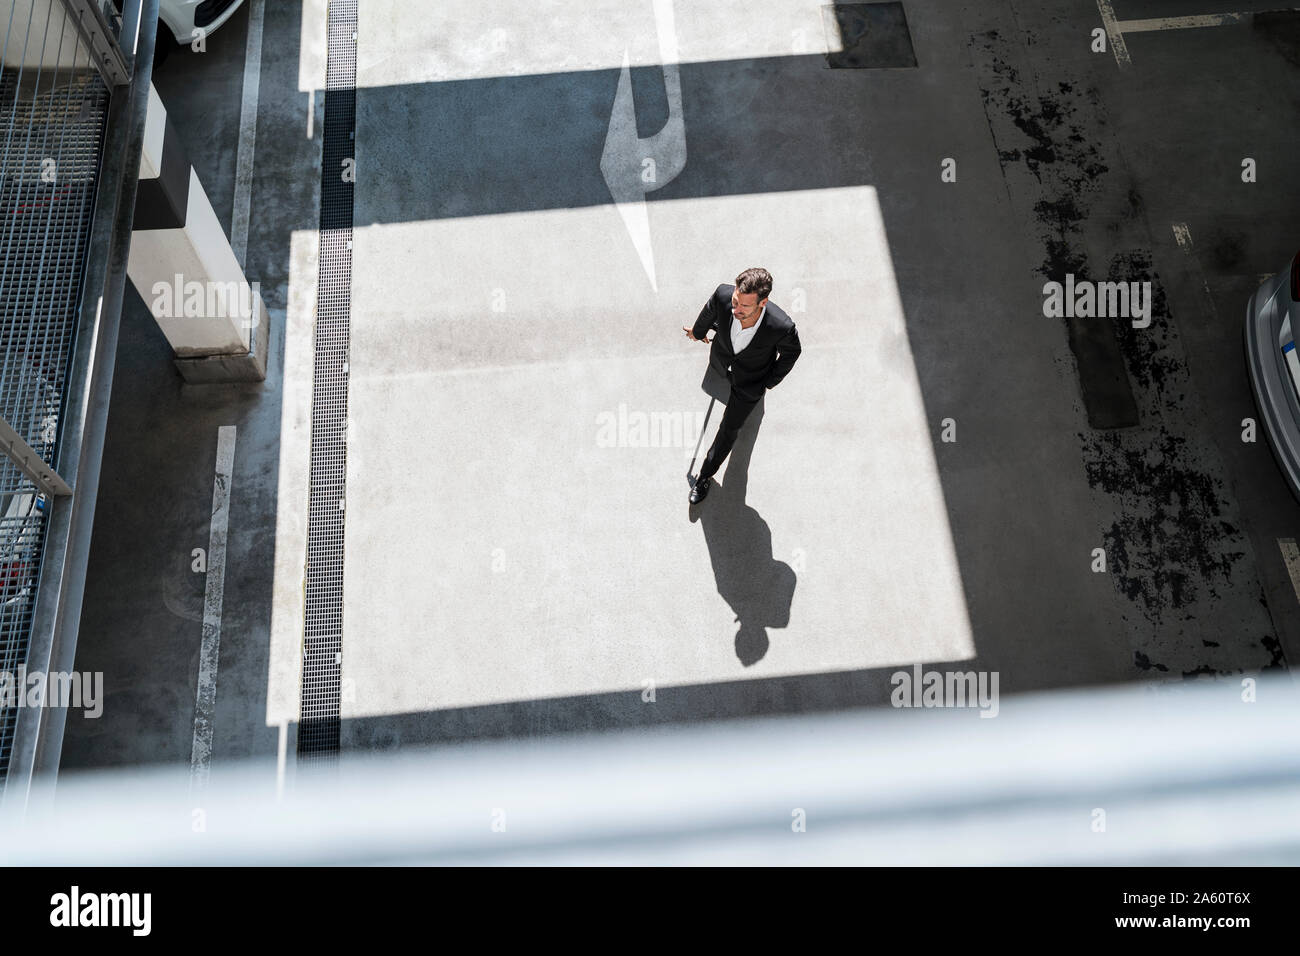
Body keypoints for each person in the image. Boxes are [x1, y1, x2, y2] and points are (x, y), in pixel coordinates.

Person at [682, 267, 801, 504]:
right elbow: (709, 312)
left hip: (751, 383)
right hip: (723, 362)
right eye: (735, 301)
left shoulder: (781, 326)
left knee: (729, 429)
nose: (735, 309)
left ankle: (705, 475)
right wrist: (698, 331)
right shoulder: (724, 295)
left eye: (744, 307)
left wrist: (769, 381)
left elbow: (792, 352)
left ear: (763, 303)